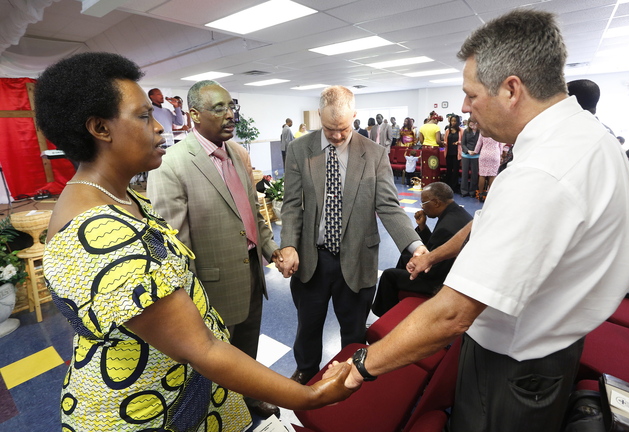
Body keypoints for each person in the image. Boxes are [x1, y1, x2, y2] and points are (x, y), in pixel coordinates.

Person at [329, 10, 629, 432]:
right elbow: (490, 220)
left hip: (514, 365)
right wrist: (435, 254)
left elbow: (450, 315)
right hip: (553, 343)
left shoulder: (542, 173)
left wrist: (360, 368)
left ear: (512, 89)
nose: (463, 106)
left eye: (471, 94)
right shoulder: (585, 137)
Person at [37, 52, 353, 432]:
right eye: (143, 116)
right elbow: (201, 347)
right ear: (100, 129)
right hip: (148, 409)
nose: (159, 128)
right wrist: (309, 397)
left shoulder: (121, 199)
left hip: (182, 389)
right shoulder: (99, 234)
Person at [146, 80, 284, 418]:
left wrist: (272, 250)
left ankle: (249, 398)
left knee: (247, 346)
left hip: (251, 270)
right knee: (213, 362)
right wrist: (189, 304)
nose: (230, 115)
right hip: (210, 287)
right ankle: (218, 416)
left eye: (230, 107)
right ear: (194, 115)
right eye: (218, 108)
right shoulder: (173, 164)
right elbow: (173, 245)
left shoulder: (238, 153)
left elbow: (251, 212)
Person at [275, 85, 426, 385]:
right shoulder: (299, 150)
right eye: (329, 128)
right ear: (319, 116)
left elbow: (388, 206)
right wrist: (289, 244)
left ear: (354, 117)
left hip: (357, 257)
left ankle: (351, 376)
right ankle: (306, 368)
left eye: (343, 128)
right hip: (312, 258)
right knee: (308, 325)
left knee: (354, 329)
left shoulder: (373, 153)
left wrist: (415, 245)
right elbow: (292, 204)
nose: (336, 136)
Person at [371, 182, 472, 316]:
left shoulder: (447, 226)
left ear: (436, 202)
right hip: (451, 271)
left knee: (389, 276)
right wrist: (423, 227)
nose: (422, 207)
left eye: (424, 203)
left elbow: (433, 270)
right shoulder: (458, 213)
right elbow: (439, 248)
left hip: (439, 281)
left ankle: (384, 315)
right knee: (407, 254)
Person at [470, 134, 504, 201]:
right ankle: (490, 194)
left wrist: (475, 152)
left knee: (482, 175)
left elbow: (479, 144)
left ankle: (480, 194)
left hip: (484, 154)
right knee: (492, 175)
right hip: (494, 154)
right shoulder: (496, 131)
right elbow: (500, 145)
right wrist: (501, 154)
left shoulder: (483, 131)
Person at [417, 111, 444, 185]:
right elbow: (438, 140)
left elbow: (421, 140)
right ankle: (434, 184)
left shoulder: (422, 127)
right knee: (434, 167)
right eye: (437, 121)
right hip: (434, 149)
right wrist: (443, 144)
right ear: (435, 119)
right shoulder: (436, 127)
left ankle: (425, 184)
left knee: (425, 167)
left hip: (425, 149)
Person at [460, 117, 479, 197]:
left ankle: (472, 191)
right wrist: (468, 151)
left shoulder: (480, 132)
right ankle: (464, 191)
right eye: (470, 124)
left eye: (474, 124)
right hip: (466, 154)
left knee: (474, 174)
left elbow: (481, 143)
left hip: (476, 155)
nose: (472, 126)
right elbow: (463, 143)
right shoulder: (466, 131)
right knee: (464, 173)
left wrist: (476, 151)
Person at [443, 114, 463, 192]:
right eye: (452, 121)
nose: (453, 122)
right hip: (448, 153)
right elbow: (445, 140)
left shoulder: (461, 130)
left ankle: (454, 187)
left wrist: (459, 142)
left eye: (455, 121)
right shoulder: (448, 131)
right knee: (448, 170)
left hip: (457, 153)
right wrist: (443, 143)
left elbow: (464, 141)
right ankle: (447, 186)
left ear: (458, 122)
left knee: (455, 170)